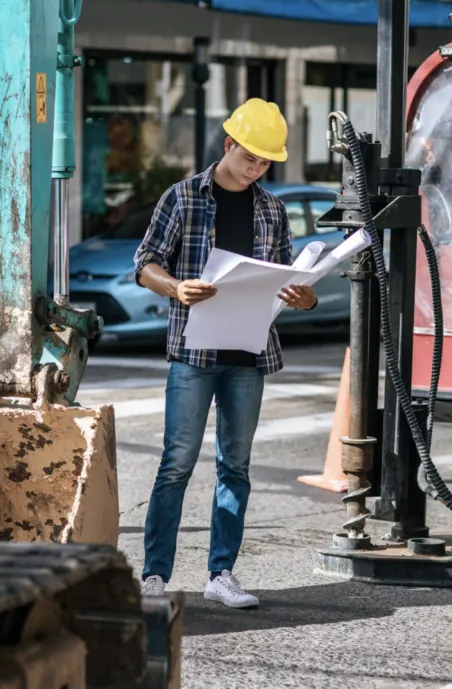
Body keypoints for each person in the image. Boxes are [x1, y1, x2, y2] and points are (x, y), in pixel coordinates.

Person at [131, 98, 318, 609]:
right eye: (249, 157)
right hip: (193, 354)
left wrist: (304, 295)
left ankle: (222, 573)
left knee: (235, 466)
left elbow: (286, 277)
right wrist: (176, 289)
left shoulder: (272, 209)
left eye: (264, 162)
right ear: (228, 144)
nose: (256, 168)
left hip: (248, 355)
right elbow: (145, 263)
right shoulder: (184, 197)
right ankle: (154, 575)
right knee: (176, 463)